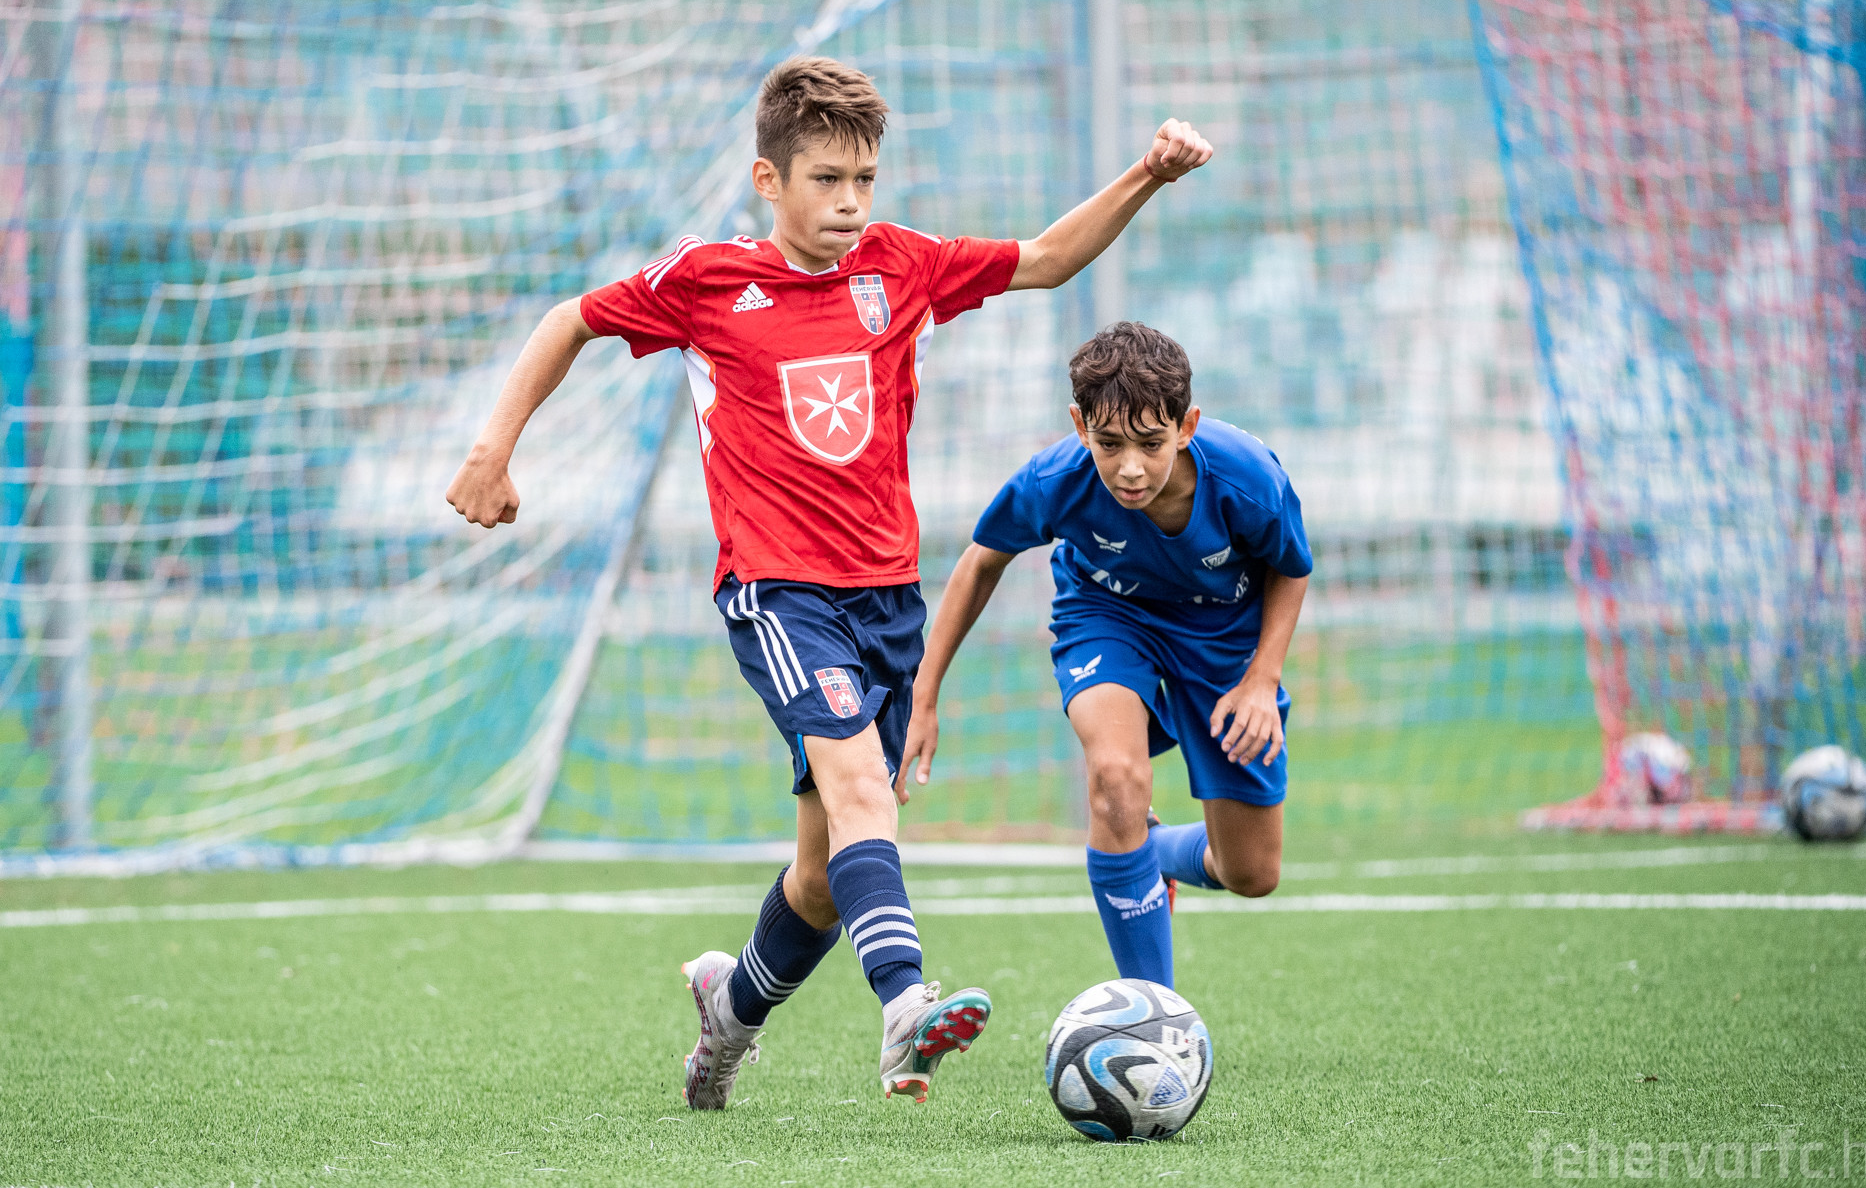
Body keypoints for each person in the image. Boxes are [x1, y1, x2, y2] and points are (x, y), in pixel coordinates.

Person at [444, 57, 1214, 1107]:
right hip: (776, 592)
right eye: (826, 180)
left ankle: (729, 1010)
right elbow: (569, 319)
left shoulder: (903, 265)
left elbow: (1044, 259)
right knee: (862, 794)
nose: (851, 201)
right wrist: (492, 449)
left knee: (822, 870)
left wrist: (1148, 175)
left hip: (887, 600)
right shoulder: (708, 281)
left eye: (864, 179)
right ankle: (903, 1006)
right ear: (769, 180)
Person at [905, 321, 1311, 989]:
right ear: (1079, 425)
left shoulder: (1246, 478)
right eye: (1108, 443)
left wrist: (1262, 680)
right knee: (1116, 779)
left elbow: (1291, 568)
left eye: (1151, 443)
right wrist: (925, 694)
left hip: (1223, 638)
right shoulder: (1056, 479)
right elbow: (981, 561)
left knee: (1251, 873)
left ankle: (1150, 854)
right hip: (1107, 616)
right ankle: (1152, 1015)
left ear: (1186, 426)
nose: (1130, 468)